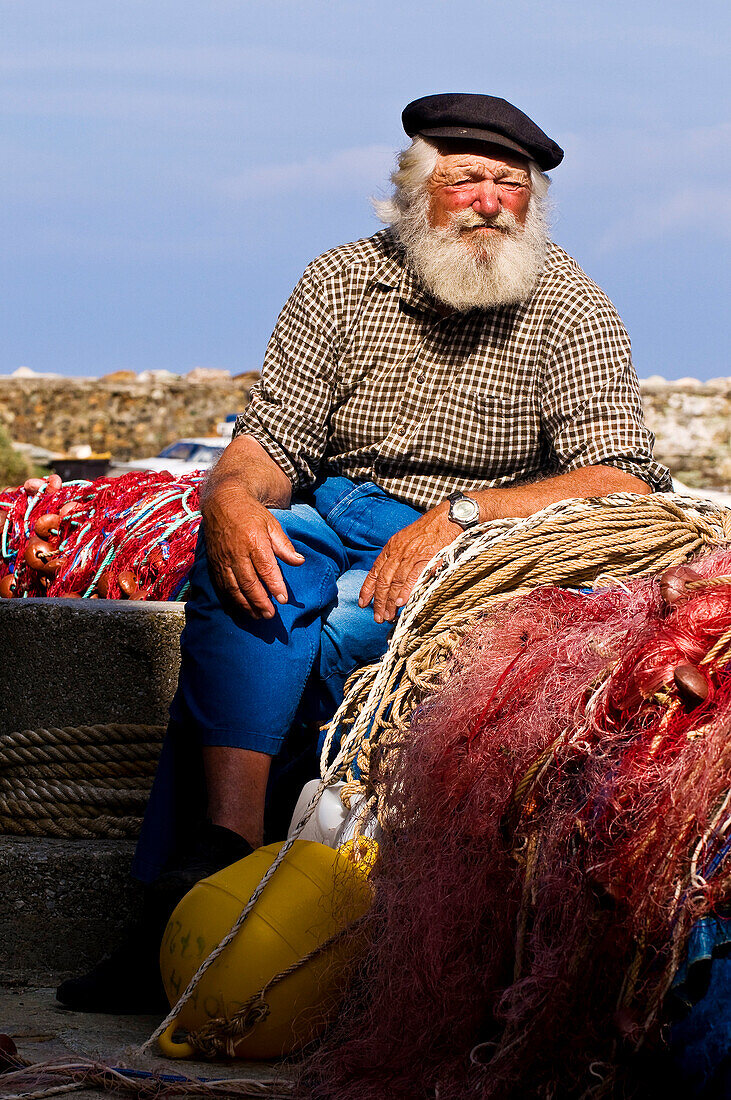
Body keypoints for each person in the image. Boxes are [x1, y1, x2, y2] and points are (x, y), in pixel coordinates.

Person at [57, 92, 671, 1012]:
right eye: (465, 179)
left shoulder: (569, 303)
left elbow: (621, 476)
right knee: (254, 564)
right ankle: (220, 863)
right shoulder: (339, 282)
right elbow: (272, 444)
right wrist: (226, 496)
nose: (491, 201)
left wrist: (462, 516)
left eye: (512, 185)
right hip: (344, 502)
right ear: (414, 192)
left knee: (344, 625)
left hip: (487, 534)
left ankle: (188, 914)